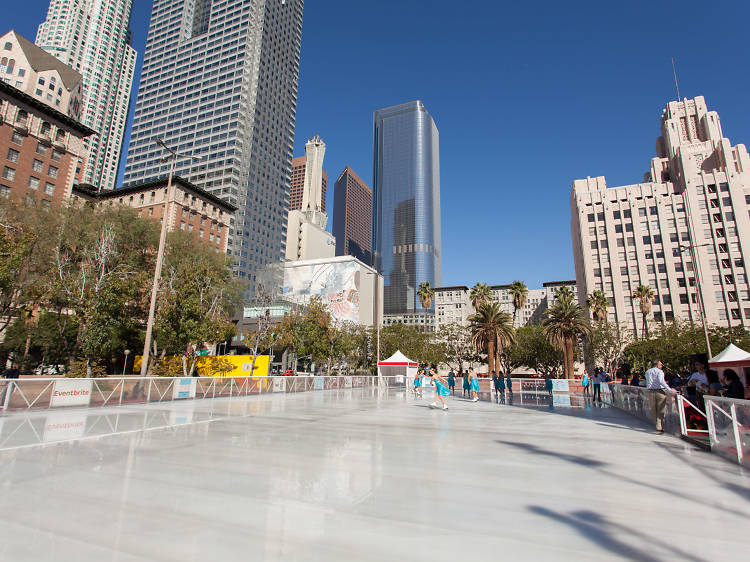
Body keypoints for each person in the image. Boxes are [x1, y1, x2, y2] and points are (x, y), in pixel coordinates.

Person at [645, 360, 675, 434]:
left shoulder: (648, 371)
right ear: (657, 365)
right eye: (661, 365)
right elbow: (661, 381)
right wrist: (669, 389)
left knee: (653, 408)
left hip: (650, 391)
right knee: (661, 408)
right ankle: (659, 425)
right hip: (659, 391)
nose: (662, 366)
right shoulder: (659, 372)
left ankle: (657, 424)